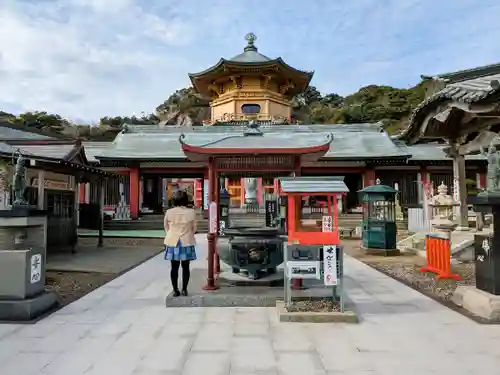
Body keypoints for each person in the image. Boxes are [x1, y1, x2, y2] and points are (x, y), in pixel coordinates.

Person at [164, 190, 197, 296]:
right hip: (186, 241)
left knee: (174, 267)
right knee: (186, 266)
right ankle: (184, 289)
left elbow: (166, 227)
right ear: (186, 200)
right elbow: (194, 229)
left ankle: (175, 290)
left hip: (173, 241)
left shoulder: (169, 212)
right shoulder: (191, 212)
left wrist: (171, 233)